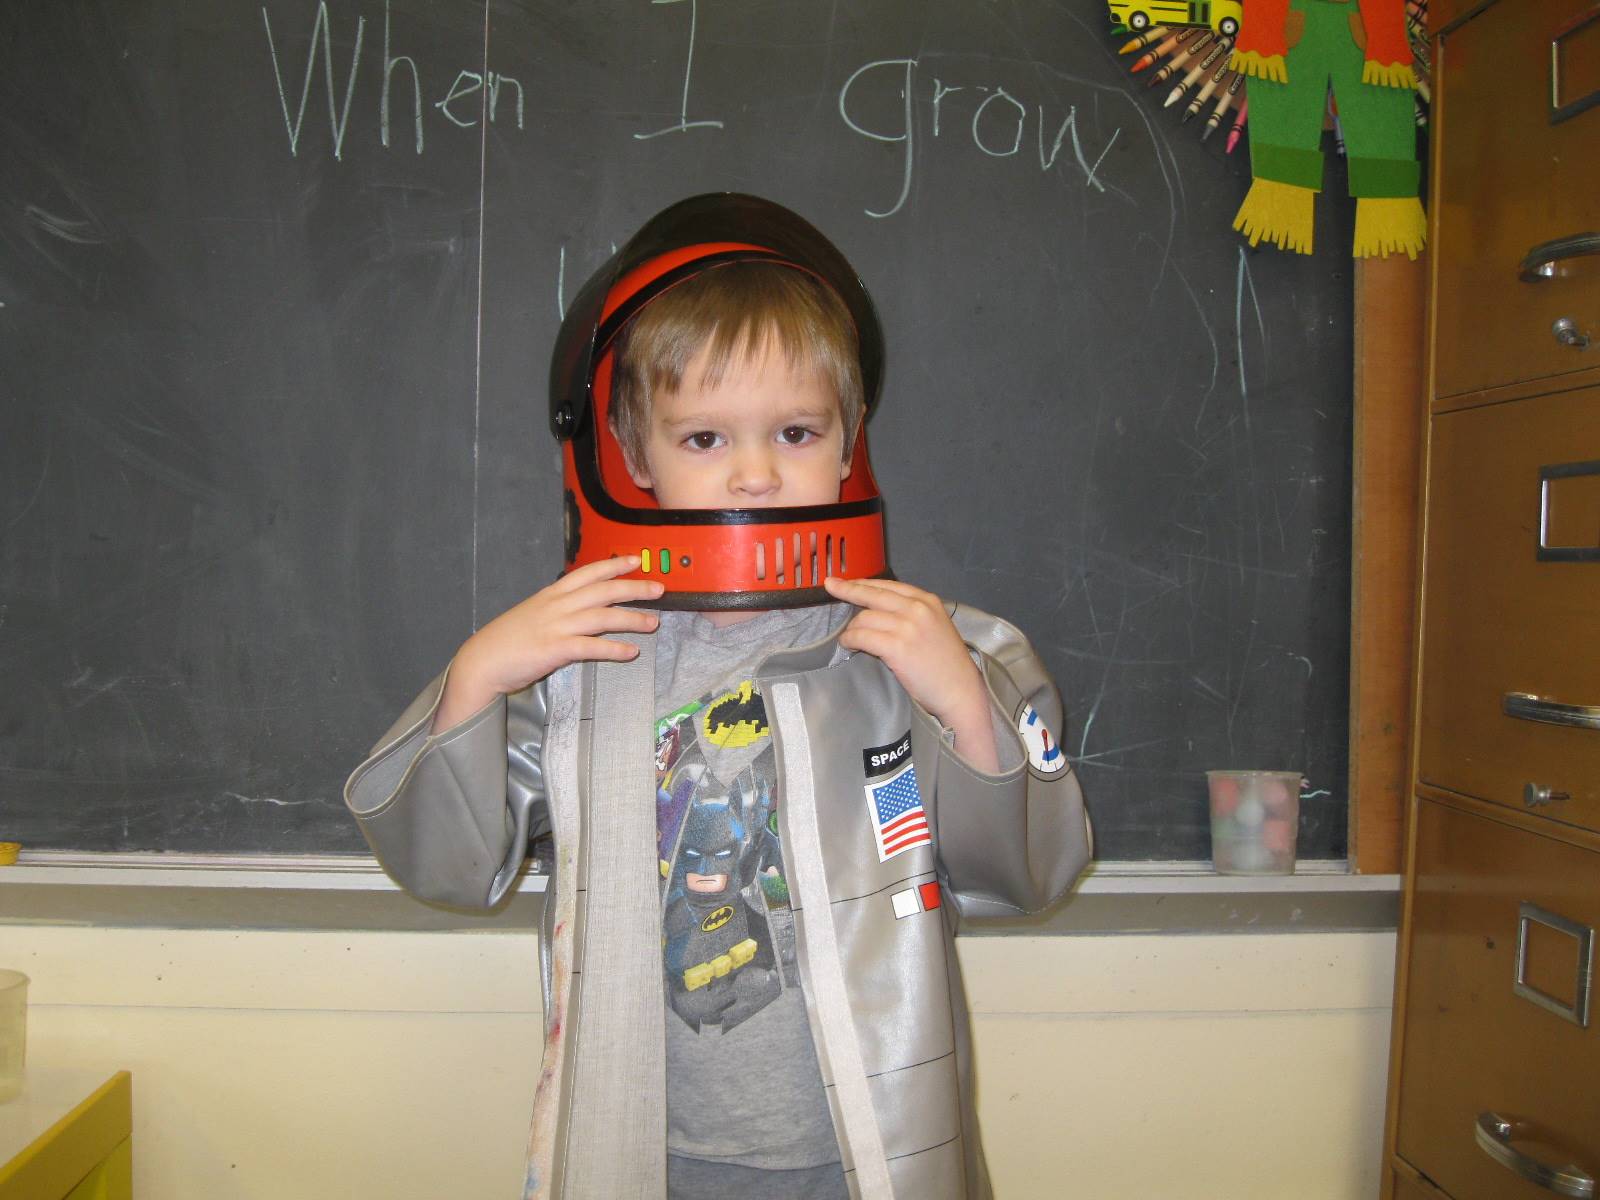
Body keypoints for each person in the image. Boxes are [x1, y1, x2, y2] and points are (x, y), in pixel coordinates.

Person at [344, 194, 1090, 1200]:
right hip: (637, 1145)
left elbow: (1029, 878)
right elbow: (450, 867)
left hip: (860, 1146)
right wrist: (479, 676)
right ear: (633, 454)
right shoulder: (580, 655)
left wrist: (964, 708)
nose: (753, 472)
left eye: (793, 430)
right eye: (704, 439)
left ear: (849, 439)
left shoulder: (929, 649)